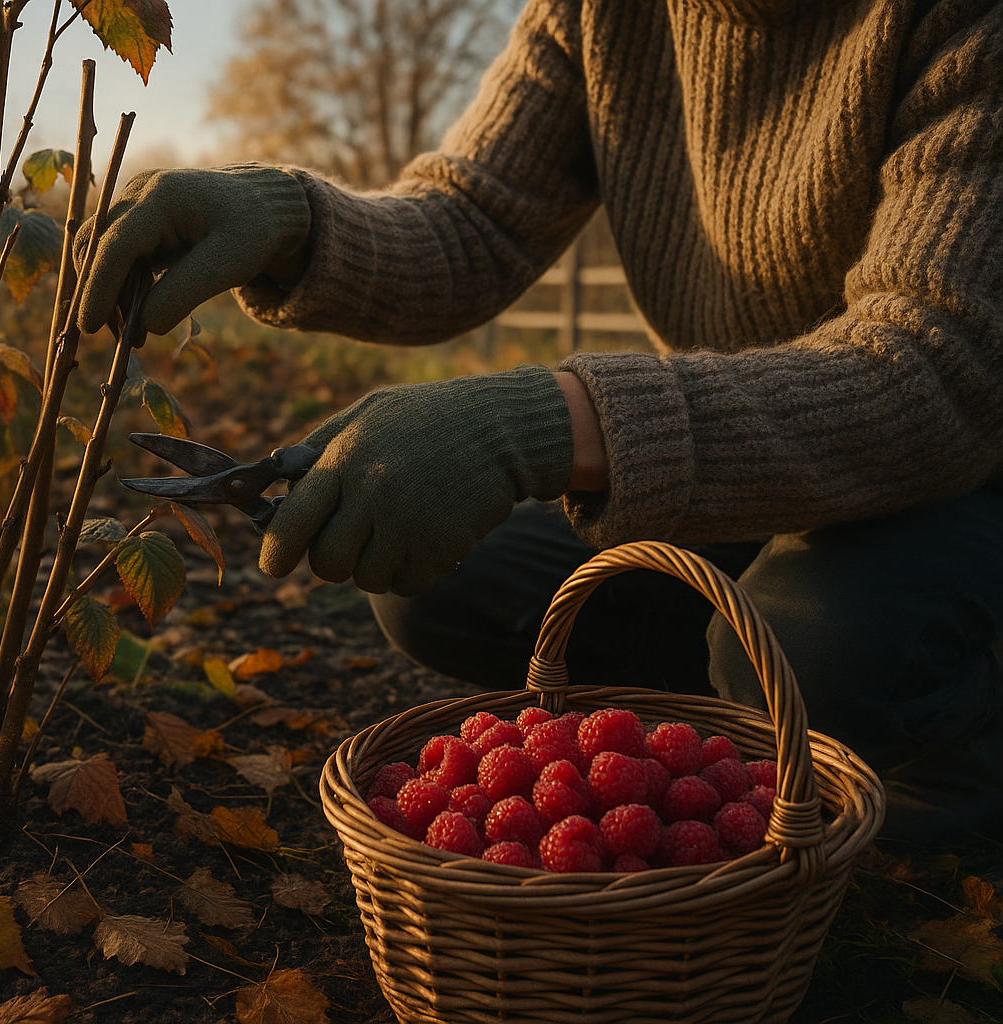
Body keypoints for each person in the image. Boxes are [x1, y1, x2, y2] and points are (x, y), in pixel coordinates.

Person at [74, 0, 1003, 839]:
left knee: (816, 656)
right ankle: (734, 723)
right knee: (439, 582)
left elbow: (933, 365)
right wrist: (296, 223)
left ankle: (946, 744)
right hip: (742, 469)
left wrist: (545, 423)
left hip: (947, 480)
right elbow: (476, 217)